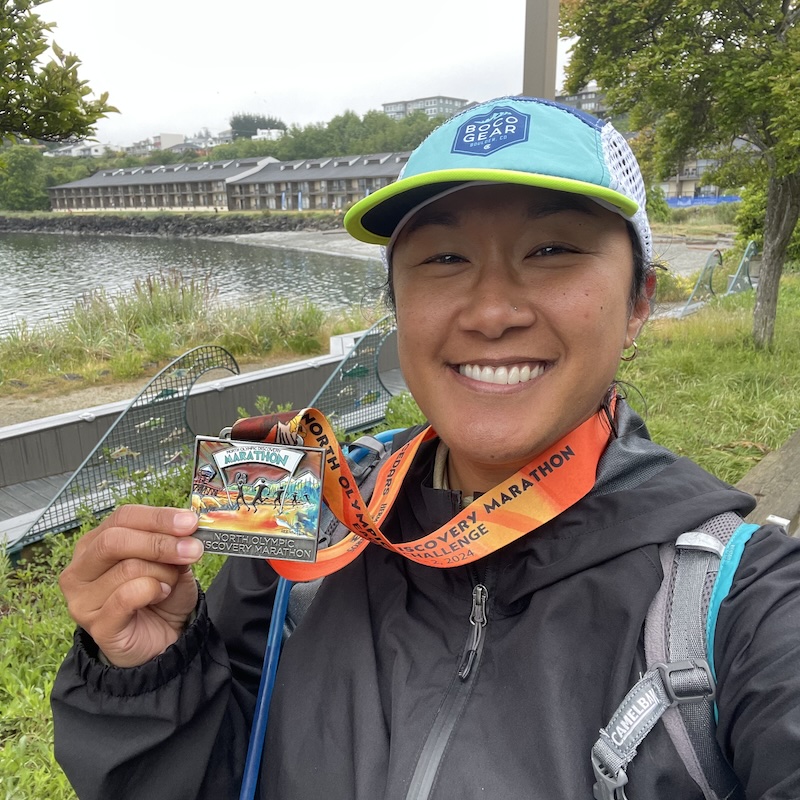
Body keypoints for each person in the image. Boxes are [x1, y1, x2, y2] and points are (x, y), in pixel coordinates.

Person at [51, 97, 800, 799]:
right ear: (397, 306)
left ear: (639, 303)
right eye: (443, 259)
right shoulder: (304, 505)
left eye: (551, 249)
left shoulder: (743, 604)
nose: (491, 312)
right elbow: (226, 766)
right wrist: (151, 675)